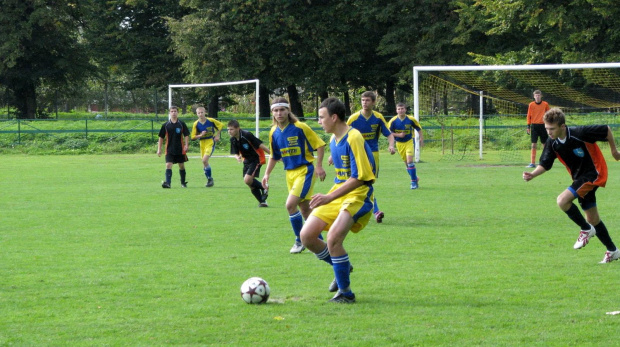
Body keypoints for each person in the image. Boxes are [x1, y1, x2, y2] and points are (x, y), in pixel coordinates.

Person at [300, 97, 376, 303]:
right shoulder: (334, 140)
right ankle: (340, 265)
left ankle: (346, 293)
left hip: (358, 195)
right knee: (306, 236)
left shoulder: (354, 137)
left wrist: (329, 196)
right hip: (338, 193)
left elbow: (361, 177)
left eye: (322, 117)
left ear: (334, 117)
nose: (319, 122)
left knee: (333, 239)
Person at [523, 108, 620, 263]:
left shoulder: (579, 133)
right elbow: (545, 164)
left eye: (552, 129)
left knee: (562, 200)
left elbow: (606, 129)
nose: (549, 132)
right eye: (547, 128)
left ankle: (586, 229)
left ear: (562, 126)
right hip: (579, 179)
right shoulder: (552, 143)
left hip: (594, 173)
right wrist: (532, 174)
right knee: (593, 218)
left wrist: (614, 151)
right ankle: (613, 250)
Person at [261, 97, 327, 254]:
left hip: (305, 171)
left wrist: (318, 166)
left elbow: (319, 145)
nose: (279, 113)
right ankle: (319, 240)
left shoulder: (300, 127)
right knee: (304, 209)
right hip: (289, 173)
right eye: (276, 110)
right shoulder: (273, 132)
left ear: (288, 110)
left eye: (282, 109)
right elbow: (275, 156)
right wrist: (266, 174)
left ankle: (299, 240)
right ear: (272, 113)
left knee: (290, 205)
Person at [346, 91, 394, 223]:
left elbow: (389, 134)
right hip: (356, 154)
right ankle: (374, 210)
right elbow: (343, 135)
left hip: (373, 154)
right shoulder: (353, 118)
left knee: (367, 182)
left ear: (373, 102)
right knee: (359, 183)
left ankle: (364, 209)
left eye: (367, 100)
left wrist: (391, 145)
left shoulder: (378, 118)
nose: (364, 103)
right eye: (363, 100)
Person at [228, 119, 271, 207]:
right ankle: (262, 202)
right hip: (246, 160)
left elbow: (260, 145)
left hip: (257, 158)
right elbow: (235, 152)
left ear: (238, 128)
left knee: (247, 180)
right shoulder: (233, 139)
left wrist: (272, 154)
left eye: (231, 129)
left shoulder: (246, 135)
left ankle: (264, 187)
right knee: (249, 183)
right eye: (228, 129)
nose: (229, 131)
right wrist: (237, 157)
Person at [388, 102, 424, 189]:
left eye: (402, 109)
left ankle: (413, 182)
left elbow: (418, 128)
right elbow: (388, 133)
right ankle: (415, 178)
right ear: (396, 110)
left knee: (410, 161)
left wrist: (421, 138)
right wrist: (398, 135)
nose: (400, 110)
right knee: (407, 164)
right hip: (399, 144)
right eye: (399, 109)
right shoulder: (393, 121)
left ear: (405, 110)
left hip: (409, 142)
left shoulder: (411, 119)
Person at [190, 106, 224, 187]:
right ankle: (209, 180)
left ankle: (210, 179)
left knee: (204, 160)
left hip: (210, 142)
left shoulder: (211, 120)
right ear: (197, 114)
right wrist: (200, 135)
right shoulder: (196, 124)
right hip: (202, 143)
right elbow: (193, 137)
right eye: (199, 113)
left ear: (205, 112)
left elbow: (221, 125)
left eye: (202, 112)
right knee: (204, 163)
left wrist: (217, 135)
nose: (201, 114)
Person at [157, 106, 190, 188]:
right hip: (169, 149)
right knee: (168, 165)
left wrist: (186, 145)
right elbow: (161, 137)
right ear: (169, 113)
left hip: (180, 149)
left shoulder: (181, 124)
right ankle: (168, 183)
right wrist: (159, 149)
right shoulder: (166, 125)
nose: (173, 113)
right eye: (172, 111)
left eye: (175, 111)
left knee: (181, 165)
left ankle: (183, 182)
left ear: (177, 113)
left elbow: (186, 135)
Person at [526, 90, 550, 168]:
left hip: (543, 126)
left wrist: (549, 124)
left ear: (541, 96)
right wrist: (528, 126)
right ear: (534, 96)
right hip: (534, 126)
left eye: (539, 95)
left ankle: (546, 161)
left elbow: (549, 114)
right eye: (536, 95)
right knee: (533, 144)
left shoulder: (545, 104)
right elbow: (529, 115)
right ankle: (532, 163)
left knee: (545, 144)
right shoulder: (531, 105)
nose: (537, 96)